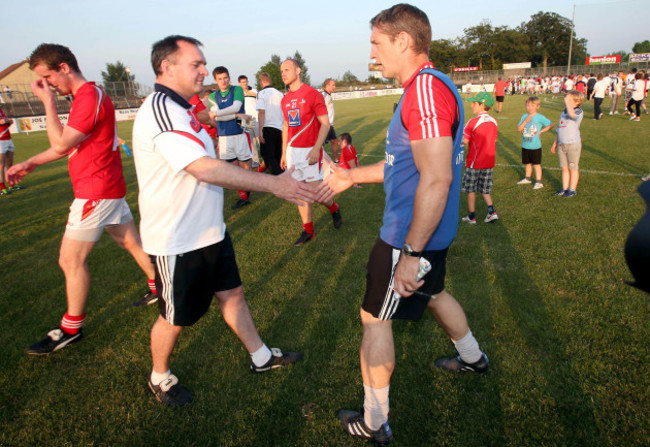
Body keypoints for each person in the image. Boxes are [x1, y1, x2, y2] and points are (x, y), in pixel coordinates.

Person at [318, 5, 489, 444]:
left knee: (374, 319)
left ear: (403, 42)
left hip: (407, 235)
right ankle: (473, 358)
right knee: (434, 295)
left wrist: (410, 254)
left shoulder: (426, 91)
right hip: (432, 232)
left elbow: (436, 178)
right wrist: (352, 175)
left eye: (377, 43)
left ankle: (375, 422)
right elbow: (407, 165)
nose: (372, 54)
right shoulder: (428, 87)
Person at [132, 35, 313, 406]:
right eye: (196, 64)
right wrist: (274, 185)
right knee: (175, 316)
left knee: (233, 295)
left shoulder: (183, 109)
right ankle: (159, 376)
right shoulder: (160, 108)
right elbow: (202, 168)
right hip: (177, 238)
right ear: (167, 67)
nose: (204, 71)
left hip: (210, 231)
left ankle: (261, 357)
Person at [5, 43, 159, 354]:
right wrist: (30, 162)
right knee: (129, 241)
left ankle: (70, 328)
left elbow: (61, 144)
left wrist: (48, 102)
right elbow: (70, 145)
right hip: (105, 185)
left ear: (64, 67)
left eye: (48, 78)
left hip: (95, 190)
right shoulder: (88, 95)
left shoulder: (88, 96)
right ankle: (162, 288)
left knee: (70, 260)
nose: (48, 85)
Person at [280, 59, 342, 246]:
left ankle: (334, 208)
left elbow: (325, 124)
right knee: (299, 191)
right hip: (292, 152)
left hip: (310, 151)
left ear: (298, 70)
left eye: (287, 69)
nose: (283, 73)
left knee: (317, 193)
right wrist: (284, 153)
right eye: (281, 70)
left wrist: (317, 149)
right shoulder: (285, 99)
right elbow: (285, 126)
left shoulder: (313, 94)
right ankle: (309, 231)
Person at [207, 66, 254, 209]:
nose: (223, 81)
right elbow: (223, 114)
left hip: (240, 133)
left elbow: (235, 107)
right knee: (234, 168)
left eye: (225, 77)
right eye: (220, 79)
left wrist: (221, 114)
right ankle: (243, 196)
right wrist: (236, 115)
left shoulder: (237, 90)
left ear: (229, 77)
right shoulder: (212, 96)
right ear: (215, 80)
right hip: (224, 136)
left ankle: (247, 188)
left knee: (245, 166)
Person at [460, 92, 499, 224]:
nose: (472, 105)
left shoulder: (473, 122)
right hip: (489, 162)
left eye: (474, 103)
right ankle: (491, 212)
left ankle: (471, 217)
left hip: (474, 162)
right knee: (485, 189)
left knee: (471, 189)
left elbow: (463, 141)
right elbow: (494, 140)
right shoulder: (494, 121)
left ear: (482, 105)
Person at [551, 90, 584, 197]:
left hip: (572, 144)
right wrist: (555, 142)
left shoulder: (578, 111)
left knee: (573, 167)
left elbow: (572, 115)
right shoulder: (564, 112)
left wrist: (568, 102)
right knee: (564, 167)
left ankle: (572, 189)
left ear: (577, 102)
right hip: (562, 144)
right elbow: (559, 128)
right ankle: (564, 188)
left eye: (570, 99)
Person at [516, 96, 553, 190]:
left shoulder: (539, 117)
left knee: (536, 164)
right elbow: (519, 129)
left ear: (538, 106)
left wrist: (541, 131)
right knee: (527, 163)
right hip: (525, 145)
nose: (530, 107)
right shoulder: (524, 116)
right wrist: (525, 121)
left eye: (532, 105)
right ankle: (528, 178)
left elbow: (551, 124)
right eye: (528, 105)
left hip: (535, 146)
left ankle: (539, 182)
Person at [256, 71, 284, 175]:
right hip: (280, 128)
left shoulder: (261, 93)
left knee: (268, 156)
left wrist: (260, 131)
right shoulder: (279, 93)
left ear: (261, 81)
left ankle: (278, 179)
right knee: (278, 155)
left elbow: (261, 112)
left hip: (268, 127)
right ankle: (282, 176)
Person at [238, 75, 261, 166]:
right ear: (239, 83)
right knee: (251, 142)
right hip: (246, 121)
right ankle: (255, 161)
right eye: (243, 82)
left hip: (256, 118)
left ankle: (266, 160)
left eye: (246, 81)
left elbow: (257, 99)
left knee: (260, 140)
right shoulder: (239, 93)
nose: (245, 83)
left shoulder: (254, 91)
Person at [0, 105, 19, 195]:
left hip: (8, 139)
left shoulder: (1, 111)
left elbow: (5, 121)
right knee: (1, 165)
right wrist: (4, 121)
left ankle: (11, 184)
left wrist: (8, 121)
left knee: (10, 163)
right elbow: (2, 121)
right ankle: (2, 188)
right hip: (1, 141)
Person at [322, 78, 339, 163]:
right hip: (324, 125)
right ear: (327, 85)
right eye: (333, 85)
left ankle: (336, 160)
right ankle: (319, 161)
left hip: (330, 125)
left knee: (334, 141)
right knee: (321, 145)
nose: (334, 87)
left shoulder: (328, 96)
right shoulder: (323, 96)